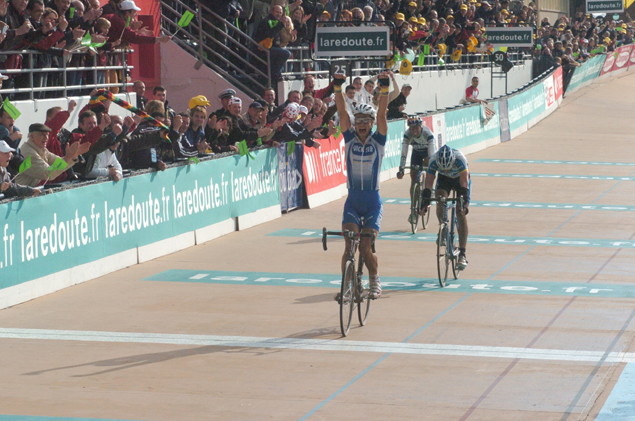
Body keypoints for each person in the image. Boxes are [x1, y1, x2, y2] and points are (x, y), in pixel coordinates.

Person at [333, 70, 390, 300]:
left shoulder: (379, 141)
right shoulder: (349, 139)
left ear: (371, 123)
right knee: (349, 248)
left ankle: (375, 280)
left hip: (372, 203)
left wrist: (384, 89)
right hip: (353, 202)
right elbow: (341, 111)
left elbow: (384, 115)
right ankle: (346, 286)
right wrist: (337, 88)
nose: (362, 124)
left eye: (366, 121)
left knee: (365, 249)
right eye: (359, 121)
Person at [420, 145, 470, 270]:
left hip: (460, 180)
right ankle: (443, 227)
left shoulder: (460, 159)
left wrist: (464, 204)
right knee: (440, 198)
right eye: (443, 168)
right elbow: (428, 186)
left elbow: (464, 183)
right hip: (444, 180)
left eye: (448, 168)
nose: (446, 170)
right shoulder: (433, 160)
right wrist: (424, 204)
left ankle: (462, 254)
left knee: (460, 212)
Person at [14, 123, 90, 187]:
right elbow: (48, 174)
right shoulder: (28, 152)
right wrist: (67, 158)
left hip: (28, 192)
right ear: (31, 137)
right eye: (42, 135)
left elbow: (58, 162)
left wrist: (73, 156)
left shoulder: (39, 149)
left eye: (47, 134)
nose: (46, 138)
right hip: (18, 197)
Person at [396, 117, 438, 223]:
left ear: (421, 127)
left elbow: (432, 155)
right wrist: (401, 168)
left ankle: (430, 188)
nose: (414, 131)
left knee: (428, 165)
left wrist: (430, 170)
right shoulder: (407, 134)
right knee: (413, 178)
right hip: (417, 153)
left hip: (428, 152)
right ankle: (413, 210)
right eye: (411, 128)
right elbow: (404, 153)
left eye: (416, 128)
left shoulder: (428, 134)